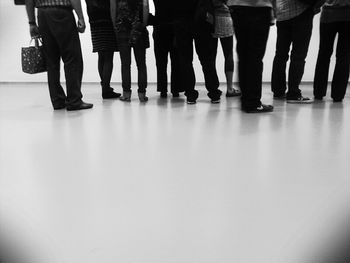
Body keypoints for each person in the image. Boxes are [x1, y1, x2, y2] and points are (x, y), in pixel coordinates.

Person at [25, 0, 93, 111]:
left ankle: (57, 100)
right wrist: (80, 17)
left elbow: (28, 1)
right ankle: (74, 100)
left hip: (42, 14)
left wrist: (32, 23)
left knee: (51, 61)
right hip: (62, 13)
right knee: (72, 58)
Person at [227, 0, 274, 113]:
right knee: (255, 57)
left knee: (243, 56)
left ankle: (246, 100)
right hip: (259, 7)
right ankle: (253, 102)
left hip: (237, 6)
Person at [172, 0, 222, 104]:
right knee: (207, 59)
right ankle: (214, 93)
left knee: (185, 60)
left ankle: (190, 94)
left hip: (181, 22)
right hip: (201, 21)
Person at [271, 0, 315, 103]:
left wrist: (275, 10)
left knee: (280, 55)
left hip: (282, 14)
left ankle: (278, 91)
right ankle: (293, 93)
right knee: (298, 56)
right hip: (301, 12)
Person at [110, 0, 150, 102]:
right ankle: (142, 94)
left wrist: (115, 25)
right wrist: (144, 24)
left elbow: (113, 8)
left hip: (122, 27)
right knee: (141, 64)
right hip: (138, 27)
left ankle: (126, 94)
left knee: (125, 64)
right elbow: (145, 5)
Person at [313, 0, 350, 102]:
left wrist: (315, 7)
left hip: (328, 15)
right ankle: (338, 94)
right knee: (344, 55)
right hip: (348, 16)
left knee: (324, 54)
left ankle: (318, 92)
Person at [85, 0, 121, 99]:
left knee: (101, 55)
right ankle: (106, 89)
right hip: (107, 20)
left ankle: (105, 86)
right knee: (108, 57)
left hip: (94, 21)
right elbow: (113, 5)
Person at [150, 0, 184, 99]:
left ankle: (163, 90)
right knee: (176, 62)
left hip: (159, 28)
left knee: (161, 62)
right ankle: (176, 89)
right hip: (174, 29)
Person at [212, 0, 241, 97]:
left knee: (211, 56)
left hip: (210, 18)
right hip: (225, 17)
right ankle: (229, 88)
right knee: (228, 54)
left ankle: (213, 89)